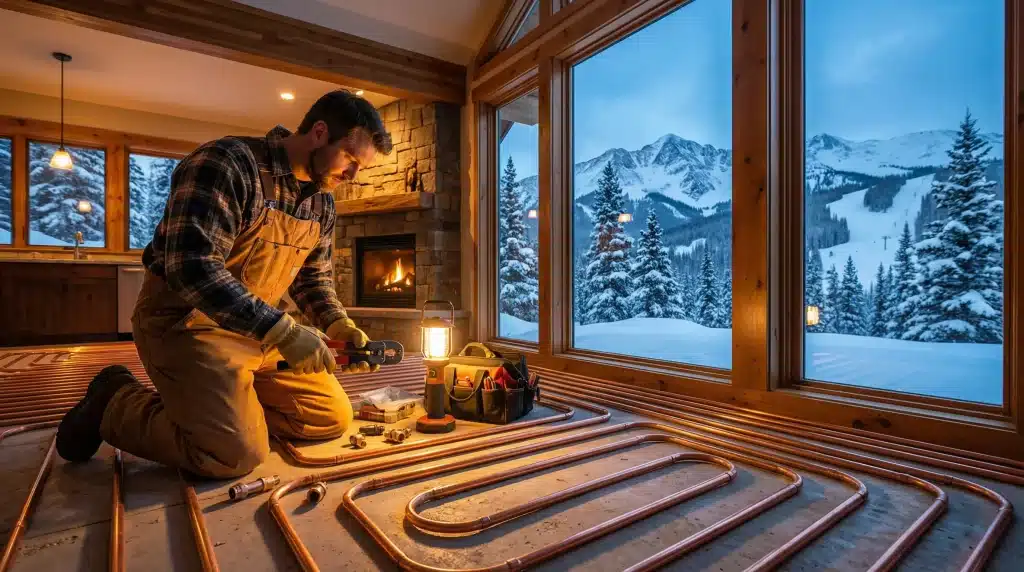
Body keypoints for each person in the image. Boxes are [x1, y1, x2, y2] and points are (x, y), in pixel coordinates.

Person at [55, 90, 392, 478]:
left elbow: (313, 277)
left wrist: (337, 324)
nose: (353, 176)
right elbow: (192, 266)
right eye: (350, 159)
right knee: (233, 455)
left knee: (328, 418)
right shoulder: (227, 163)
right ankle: (114, 398)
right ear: (319, 133)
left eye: (360, 168)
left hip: (259, 335)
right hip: (187, 325)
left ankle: (230, 408)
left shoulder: (322, 202)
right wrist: (282, 329)